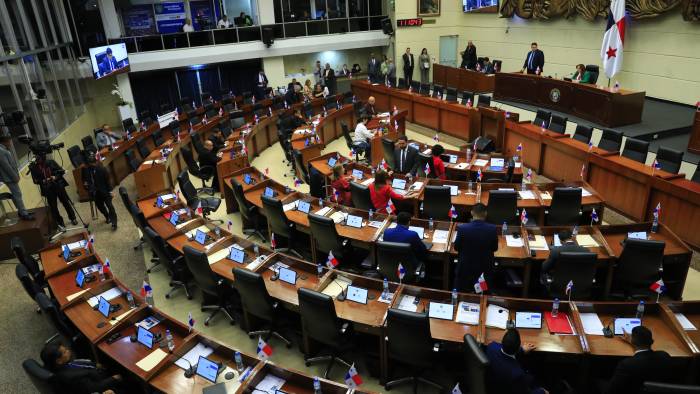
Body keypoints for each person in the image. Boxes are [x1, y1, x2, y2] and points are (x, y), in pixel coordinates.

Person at [604, 326, 676, 394]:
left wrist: (633, 342)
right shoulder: (664, 356)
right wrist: (632, 342)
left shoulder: (627, 364)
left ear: (633, 341)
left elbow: (612, 390)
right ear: (652, 341)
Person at [41, 340, 124, 394]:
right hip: (98, 385)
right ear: (59, 361)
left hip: (92, 375)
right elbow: (95, 387)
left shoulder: (56, 366)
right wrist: (114, 378)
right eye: (65, 352)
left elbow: (78, 364)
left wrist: (94, 365)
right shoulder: (73, 378)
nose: (68, 350)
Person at [485, 328, 549, 394]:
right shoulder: (517, 374)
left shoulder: (491, 347)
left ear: (502, 341)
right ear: (518, 346)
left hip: (493, 383)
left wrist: (522, 350)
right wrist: (542, 392)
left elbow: (498, 346)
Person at [453, 203, 498, 292]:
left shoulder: (462, 228)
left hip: (465, 269)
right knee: (483, 292)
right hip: (484, 270)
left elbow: (456, 248)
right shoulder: (492, 229)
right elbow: (494, 248)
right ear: (485, 214)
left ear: (472, 213)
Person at [29, 152, 77, 229]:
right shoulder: (33, 167)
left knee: (65, 202)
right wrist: (43, 181)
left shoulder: (51, 162)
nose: (38, 159)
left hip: (58, 184)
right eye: (36, 157)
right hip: (47, 188)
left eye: (39, 158)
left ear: (43, 157)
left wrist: (55, 177)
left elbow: (61, 171)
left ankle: (73, 218)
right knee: (53, 207)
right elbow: (35, 181)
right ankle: (60, 223)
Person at [0, 134, 33, 220]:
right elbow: (6, 166)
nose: (11, 143)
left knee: (17, 194)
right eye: (9, 141)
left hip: (10, 177)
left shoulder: (3, 149)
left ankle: (21, 211)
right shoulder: (1, 151)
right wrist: (15, 177)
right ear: (5, 142)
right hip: (9, 178)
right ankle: (24, 214)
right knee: (17, 195)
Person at [82, 154, 117, 229]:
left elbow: (107, 181)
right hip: (95, 193)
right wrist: (86, 186)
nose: (91, 165)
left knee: (110, 206)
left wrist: (110, 191)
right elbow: (84, 180)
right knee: (100, 206)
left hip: (105, 191)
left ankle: (114, 223)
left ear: (95, 162)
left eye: (92, 164)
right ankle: (107, 217)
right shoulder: (85, 170)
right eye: (90, 164)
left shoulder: (102, 169)